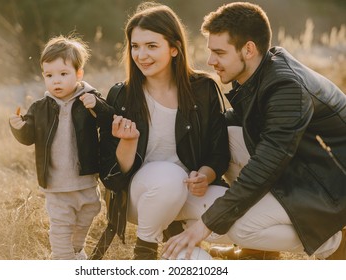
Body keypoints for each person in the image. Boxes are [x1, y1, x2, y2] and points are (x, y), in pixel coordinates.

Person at [162, 1, 346, 260]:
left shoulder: (286, 88)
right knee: (223, 132)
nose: (210, 60)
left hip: (332, 186)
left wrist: (206, 224)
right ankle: (259, 252)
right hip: (305, 165)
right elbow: (236, 130)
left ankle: (336, 242)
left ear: (248, 49)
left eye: (219, 52)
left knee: (240, 227)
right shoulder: (262, 70)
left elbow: (266, 164)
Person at [98, 2, 230, 260]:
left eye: (151, 46)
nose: (141, 55)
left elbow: (219, 151)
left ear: (174, 48)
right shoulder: (122, 95)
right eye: (135, 46)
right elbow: (112, 176)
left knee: (236, 214)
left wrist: (205, 175)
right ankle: (145, 250)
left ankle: (177, 234)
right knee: (168, 177)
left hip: (188, 194)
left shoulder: (203, 89)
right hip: (140, 199)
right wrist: (127, 141)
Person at [9, 35, 113, 260]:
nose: (56, 81)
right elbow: (28, 136)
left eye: (63, 74)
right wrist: (18, 127)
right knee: (61, 226)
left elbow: (108, 122)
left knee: (89, 213)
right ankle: (62, 258)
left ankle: (76, 250)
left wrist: (98, 106)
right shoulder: (39, 108)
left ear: (79, 74)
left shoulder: (89, 100)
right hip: (56, 184)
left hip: (85, 180)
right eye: (49, 75)